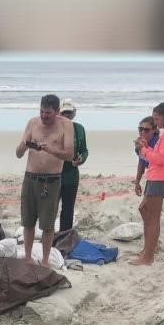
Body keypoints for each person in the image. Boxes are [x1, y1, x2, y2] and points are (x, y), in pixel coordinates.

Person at [14, 93, 77, 267]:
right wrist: (24, 145)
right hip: (30, 177)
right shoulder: (32, 123)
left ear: (57, 111)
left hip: (52, 180)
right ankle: (27, 257)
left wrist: (50, 150)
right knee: (28, 221)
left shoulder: (66, 125)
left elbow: (69, 154)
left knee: (47, 224)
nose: (44, 116)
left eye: (48, 113)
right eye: (42, 112)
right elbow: (18, 154)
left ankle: (46, 259)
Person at [131, 102, 164, 266]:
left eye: (156, 118)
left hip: (160, 177)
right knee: (148, 213)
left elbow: (162, 159)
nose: (155, 121)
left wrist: (144, 150)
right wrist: (145, 149)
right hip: (157, 176)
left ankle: (148, 257)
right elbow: (160, 156)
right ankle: (149, 249)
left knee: (152, 219)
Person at [56, 98, 90, 235]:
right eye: (64, 113)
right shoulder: (53, 128)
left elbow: (84, 150)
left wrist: (81, 159)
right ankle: (49, 236)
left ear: (74, 113)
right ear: (59, 113)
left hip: (71, 174)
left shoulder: (79, 129)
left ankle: (65, 236)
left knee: (68, 208)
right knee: (50, 209)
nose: (67, 116)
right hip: (54, 174)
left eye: (69, 113)